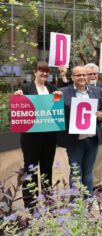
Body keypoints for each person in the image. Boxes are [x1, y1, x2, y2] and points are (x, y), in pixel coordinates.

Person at [14, 62, 62, 209]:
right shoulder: (25, 88)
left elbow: (56, 109)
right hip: (30, 137)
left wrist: (58, 97)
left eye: (47, 72)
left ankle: (47, 199)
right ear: (35, 72)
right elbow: (19, 107)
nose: (44, 74)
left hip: (49, 135)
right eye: (41, 71)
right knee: (31, 168)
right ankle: (30, 202)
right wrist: (17, 96)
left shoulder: (53, 89)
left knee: (47, 167)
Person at [57, 66, 102, 196]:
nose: (82, 77)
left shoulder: (96, 91)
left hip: (92, 139)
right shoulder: (63, 92)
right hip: (74, 141)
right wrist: (55, 98)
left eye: (84, 75)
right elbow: (53, 109)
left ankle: (88, 201)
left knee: (89, 171)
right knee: (76, 172)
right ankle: (75, 203)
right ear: (72, 77)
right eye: (78, 75)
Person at [84, 63, 102, 193]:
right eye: (90, 74)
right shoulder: (78, 89)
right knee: (82, 160)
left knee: (99, 158)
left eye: (94, 73)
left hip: (98, 130)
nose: (93, 76)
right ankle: (82, 186)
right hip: (81, 130)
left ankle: (96, 184)